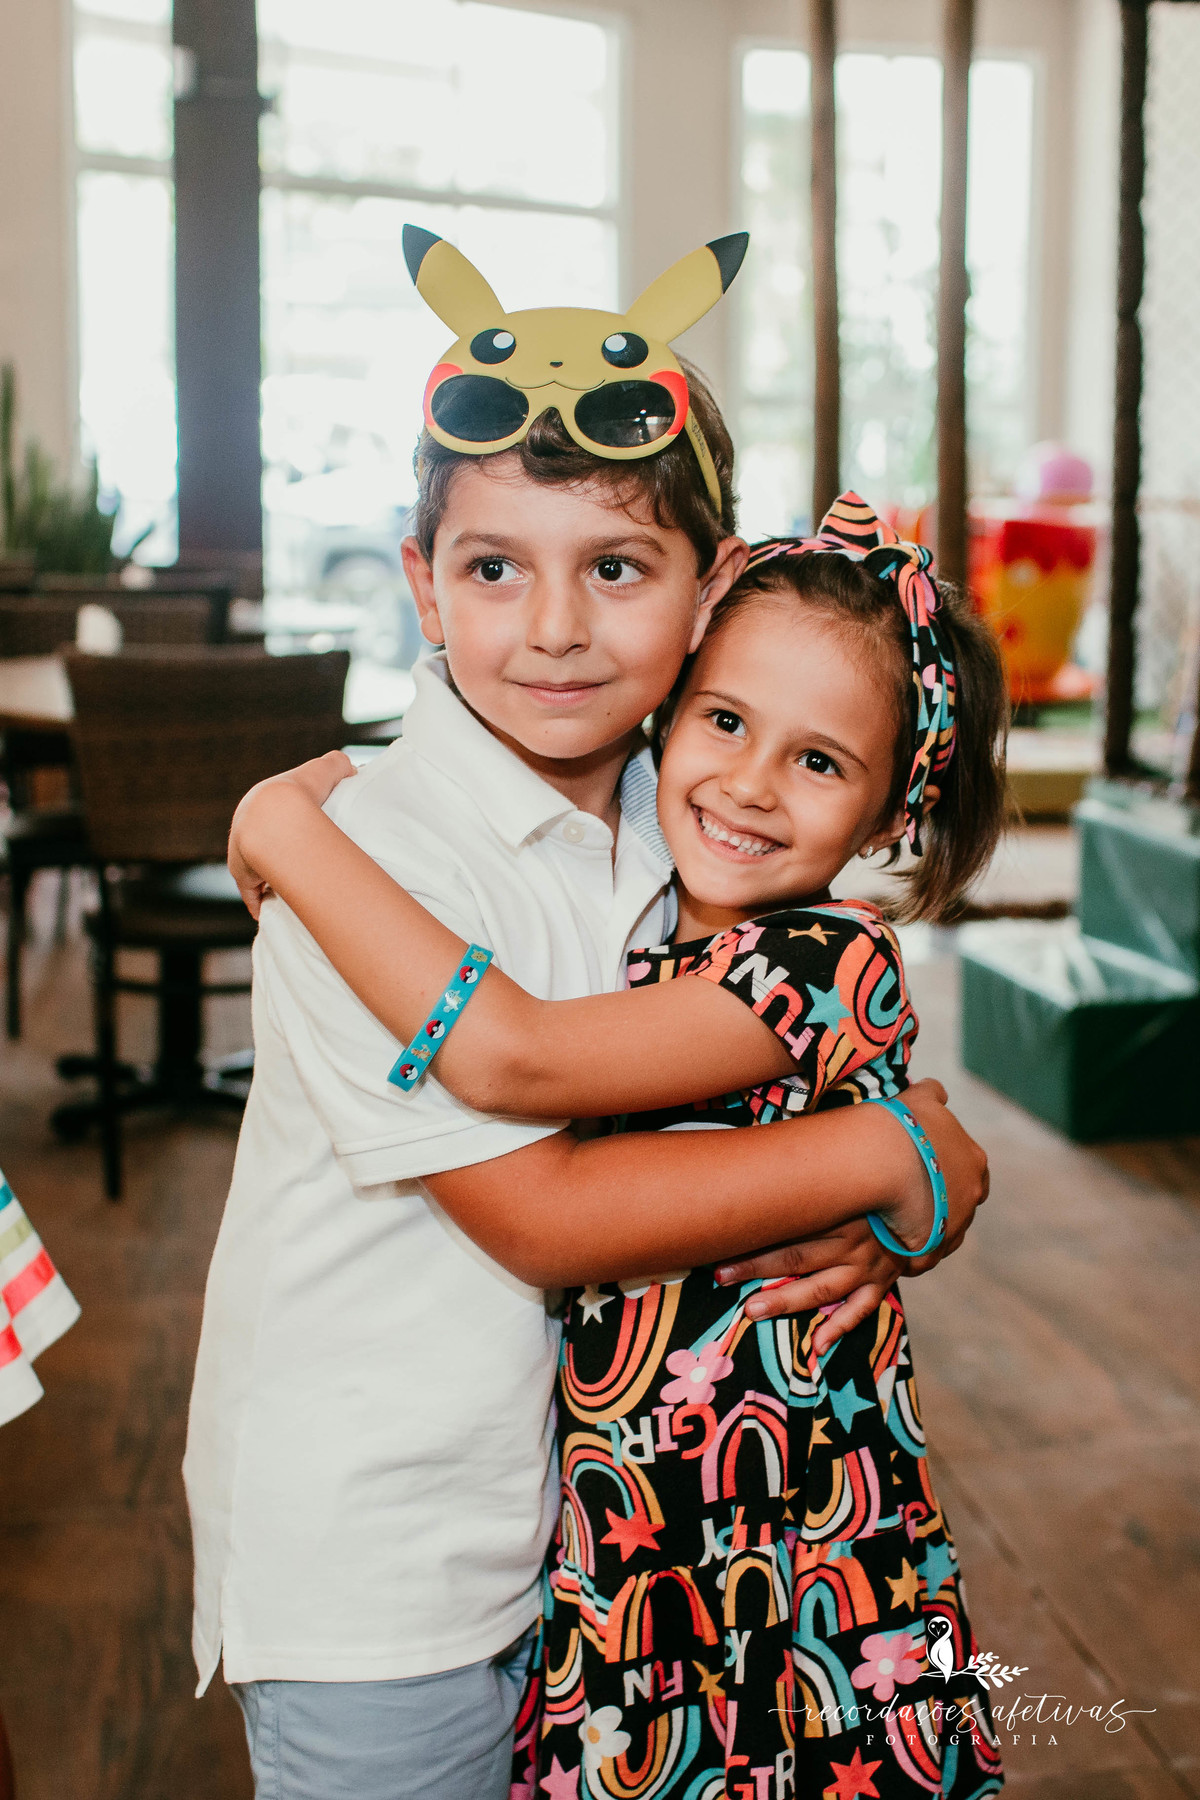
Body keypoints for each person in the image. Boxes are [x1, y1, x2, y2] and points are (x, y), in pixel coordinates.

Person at [186, 227, 989, 1800]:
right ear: (422, 582)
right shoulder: (366, 876)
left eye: (615, 569)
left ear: (704, 593)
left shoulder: (680, 810)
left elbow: (805, 1044)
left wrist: (932, 1164)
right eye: (495, 568)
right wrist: (888, 1156)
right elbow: (546, 1213)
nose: (554, 628)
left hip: (593, 1565)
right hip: (383, 1578)